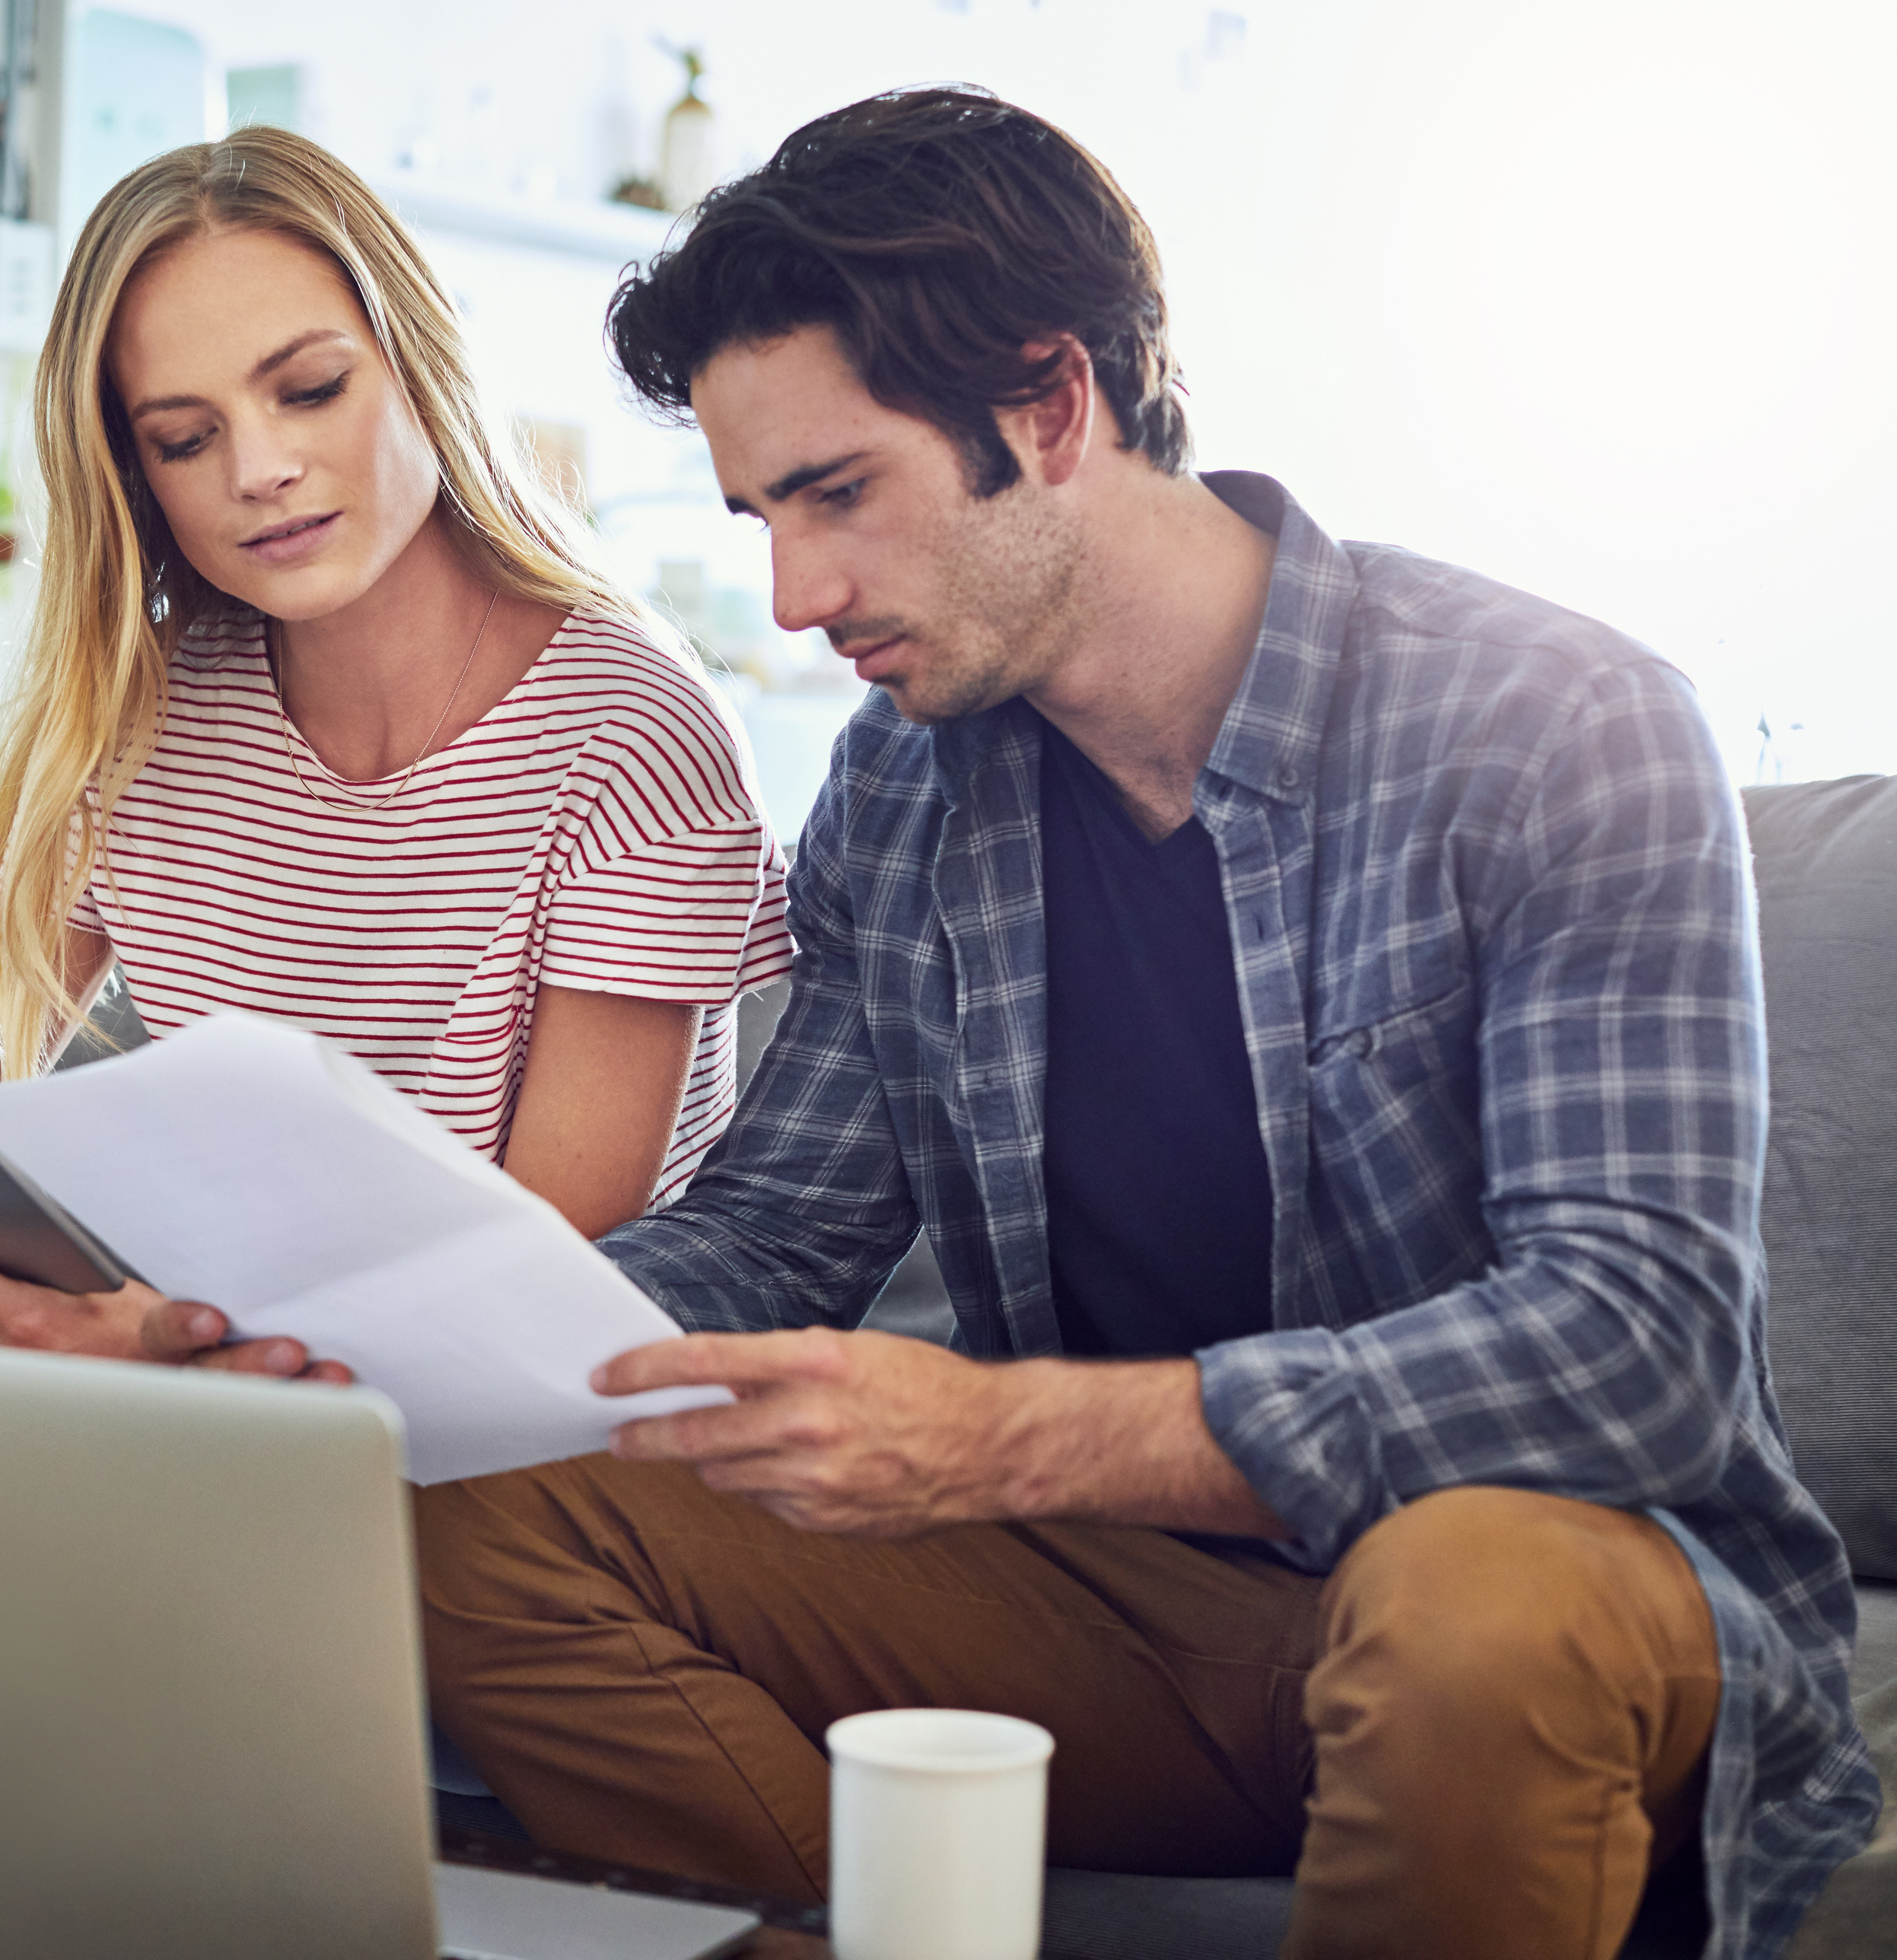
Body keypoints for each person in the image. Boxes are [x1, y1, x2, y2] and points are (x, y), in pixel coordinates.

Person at [406, 88, 1879, 1960]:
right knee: (475, 1508)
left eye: (836, 493)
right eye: (758, 515)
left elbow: (1637, 1345)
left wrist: (1016, 1438)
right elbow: (769, 1238)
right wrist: (374, 1347)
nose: (794, 598)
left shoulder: (1556, 722)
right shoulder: (902, 796)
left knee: (1465, 1600)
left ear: (1049, 405)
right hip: (1134, 1623)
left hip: (1541, 1596)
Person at [0, 126, 790, 1360]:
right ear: (134, 476)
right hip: (189, 1355)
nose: (260, 470)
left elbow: (548, 1262)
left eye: (309, 389)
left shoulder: (628, 733)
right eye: (184, 439)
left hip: (492, 1391)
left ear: (418, 363)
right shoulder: (142, 714)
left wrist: (156, 1339)